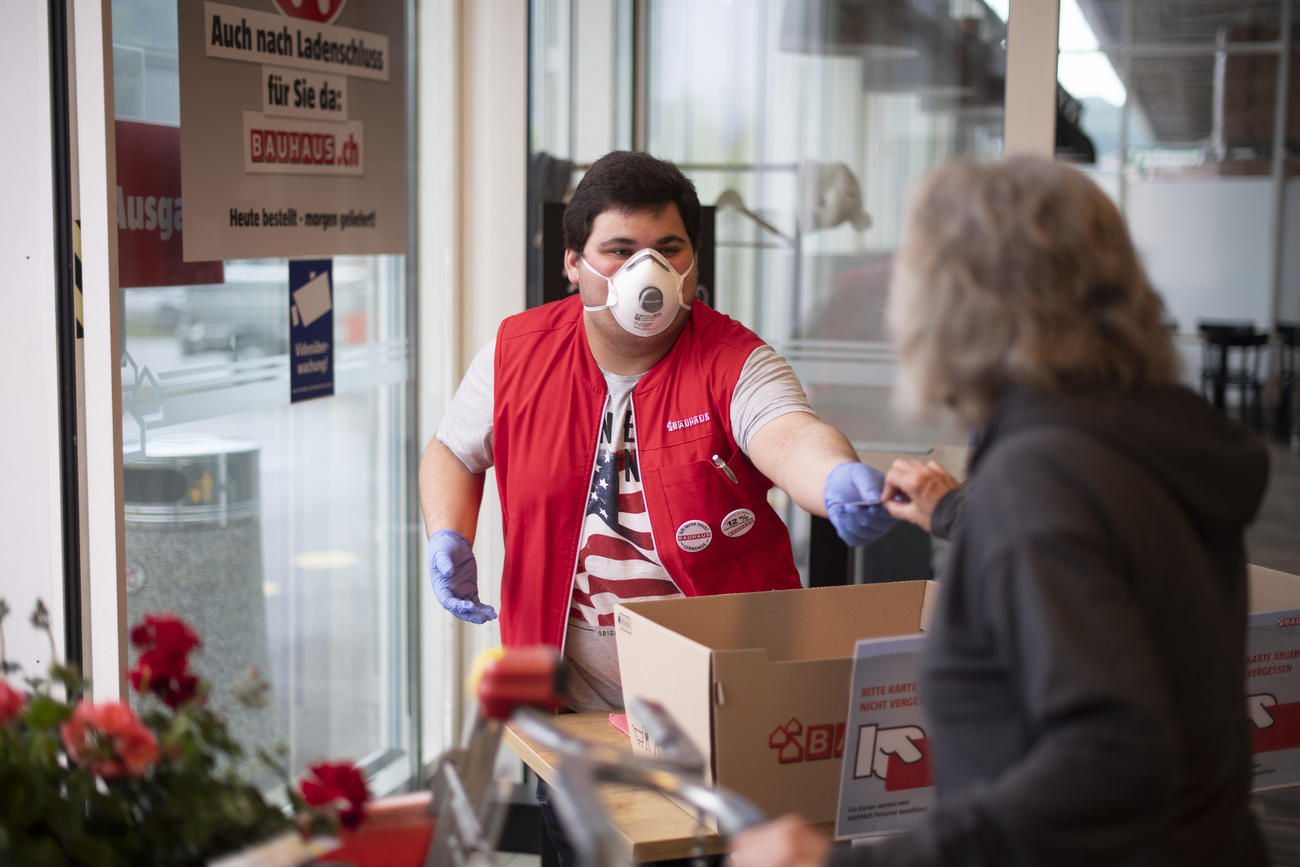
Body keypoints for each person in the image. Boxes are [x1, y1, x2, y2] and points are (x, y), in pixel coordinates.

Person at [728, 154, 1271, 867]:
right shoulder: (1141, 437)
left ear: (958, 306)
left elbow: (1110, 755)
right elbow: (1101, 570)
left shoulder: (1046, 479)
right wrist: (953, 510)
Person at [419, 150, 895, 716]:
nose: (647, 273)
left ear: (694, 259)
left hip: (723, 698)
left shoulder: (735, 361)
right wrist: (449, 533)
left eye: (668, 250)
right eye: (620, 252)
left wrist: (837, 477)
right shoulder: (516, 354)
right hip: (566, 700)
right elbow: (453, 450)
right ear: (573, 263)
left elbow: (792, 437)